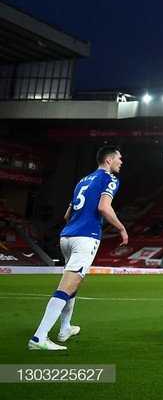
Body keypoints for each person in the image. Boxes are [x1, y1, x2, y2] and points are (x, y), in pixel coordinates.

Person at [29, 146, 128, 351]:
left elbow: (67, 215)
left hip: (67, 235)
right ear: (108, 160)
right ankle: (39, 337)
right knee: (66, 287)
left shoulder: (83, 180)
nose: (121, 161)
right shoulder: (109, 179)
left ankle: (65, 328)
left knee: (73, 284)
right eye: (119, 158)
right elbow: (103, 207)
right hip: (86, 237)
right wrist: (121, 228)